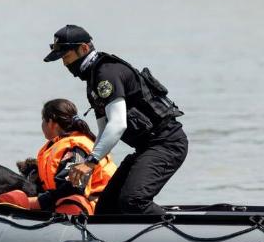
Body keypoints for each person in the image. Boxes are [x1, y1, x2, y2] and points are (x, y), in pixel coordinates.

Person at [43, 24, 188, 215]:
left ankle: (176, 235)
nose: (65, 64)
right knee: (106, 209)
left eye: (67, 57)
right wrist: (87, 163)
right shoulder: (93, 80)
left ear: (84, 48)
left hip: (167, 144)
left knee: (133, 201)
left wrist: (91, 162)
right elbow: (104, 130)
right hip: (145, 148)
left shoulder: (106, 73)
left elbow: (118, 125)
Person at [0, 99, 117, 215]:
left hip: (96, 206)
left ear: (51, 122)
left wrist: (35, 203)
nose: (42, 124)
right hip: (59, 199)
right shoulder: (59, 143)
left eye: (43, 120)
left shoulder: (76, 148)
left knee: (71, 202)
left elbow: (73, 188)